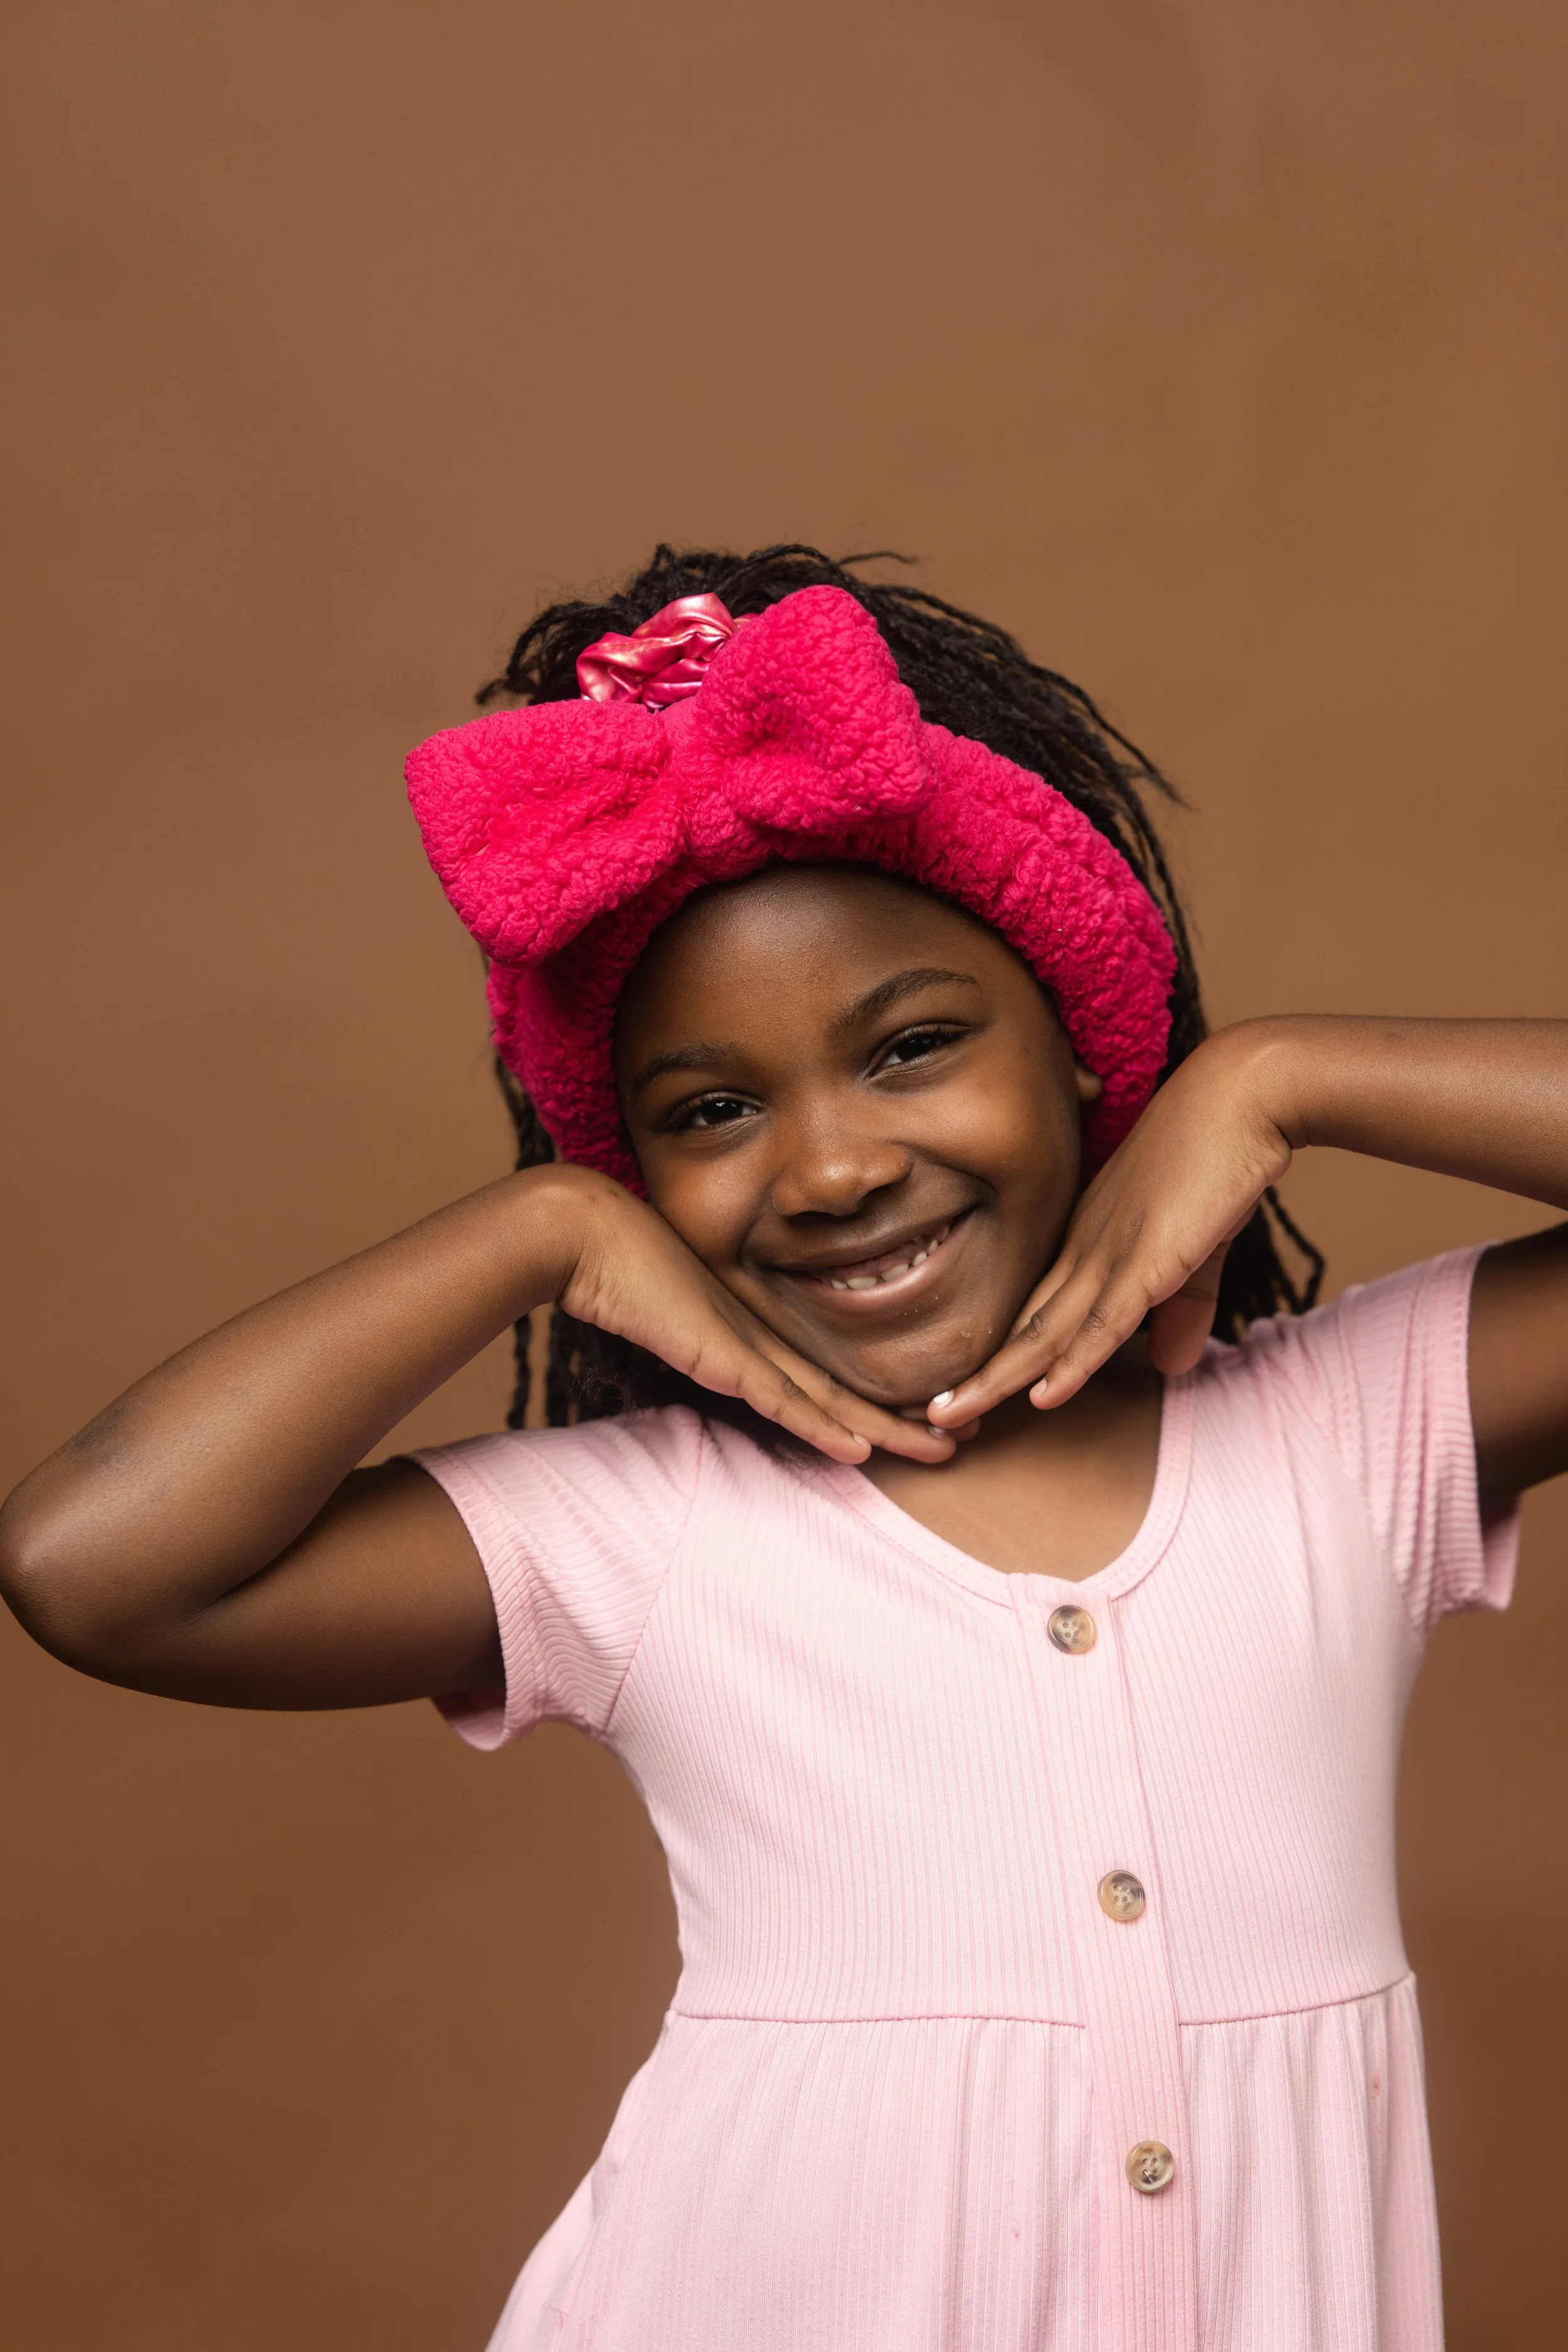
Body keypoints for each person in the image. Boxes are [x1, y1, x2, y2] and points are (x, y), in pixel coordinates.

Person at [3, 544, 1565, 2352]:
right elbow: (89, 1560)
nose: (827, 1168)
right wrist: (538, 1235)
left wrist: (1285, 1077)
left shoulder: (1345, 1437)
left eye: (906, 1047)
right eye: (712, 1111)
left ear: (1081, 1049)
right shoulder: (652, 1532)